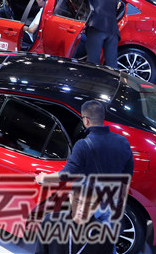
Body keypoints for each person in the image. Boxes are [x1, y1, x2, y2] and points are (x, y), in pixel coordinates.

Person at [34, 100, 133, 254]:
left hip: (90, 205)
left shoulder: (83, 144)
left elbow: (67, 174)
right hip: (113, 204)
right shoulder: (123, 142)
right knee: (106, 245)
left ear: (86, 120)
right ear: (102, 117)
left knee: (81, 243)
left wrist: (43, 178)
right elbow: (127, 175)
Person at [77, 0, 119, 68]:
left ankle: (92, 78)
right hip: (113, 32)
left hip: (97, 28)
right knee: (112, 65)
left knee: (93, 63)